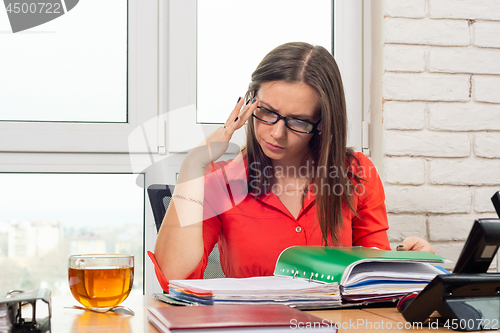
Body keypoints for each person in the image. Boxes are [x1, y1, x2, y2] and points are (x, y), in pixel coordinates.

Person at [151, 42, 434, 290]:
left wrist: (414, 269)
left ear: (322, 123)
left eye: (298, 121)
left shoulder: (357, 173)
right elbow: (176, 278)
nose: (276, 133)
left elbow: (373, 280)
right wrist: (192, 164)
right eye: (267, 112)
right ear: (250, 102)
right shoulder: (222, 181)